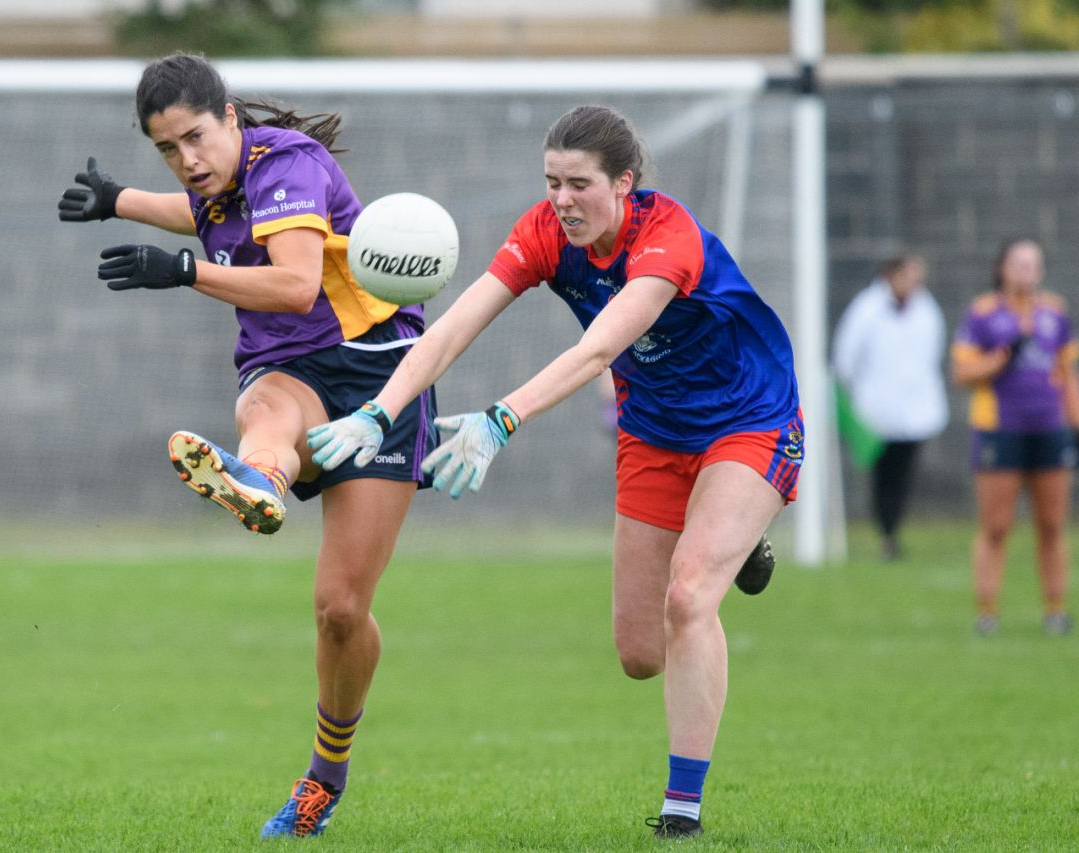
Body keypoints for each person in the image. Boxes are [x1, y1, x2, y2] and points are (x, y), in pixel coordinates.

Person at [306, 104, 801, 840]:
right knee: (639, 653)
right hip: (654, 431)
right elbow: (451, 328)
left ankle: (682, 811)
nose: (562, 200)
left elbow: (599, 350)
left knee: (690, 594)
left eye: (579, 184)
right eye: (551, 183)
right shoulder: (543, 231)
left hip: (748, 421)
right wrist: (377, 412)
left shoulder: (667, 238)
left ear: (624, 182)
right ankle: (731, 536)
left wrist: (500, 419)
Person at [57, 53, 439, 838]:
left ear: (231, 117)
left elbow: (297, 284)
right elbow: (200, 213)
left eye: (195, 138)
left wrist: (184, 273)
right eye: (167, 148)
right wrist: (118, 201)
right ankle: (257, 479)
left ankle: (323, 778)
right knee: (266, 405)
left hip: (380, 378)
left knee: (341, 609)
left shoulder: (289, 163)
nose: (186, 161)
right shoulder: (216, 181)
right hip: (289, 366)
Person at [951, 237, 1077, 637]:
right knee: (996, 525)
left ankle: (1055, 610)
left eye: (1032, 264)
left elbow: (1069, 375)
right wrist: (998, 360)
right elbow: (962, 373)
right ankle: (987, 612)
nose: (1025, 271)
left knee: (1053, 524)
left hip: (1049, 428)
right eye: (1018, 263)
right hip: (999, 430)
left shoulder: (1055, 313)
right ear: (1002, 268)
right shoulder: (983, 314)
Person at [832, 253, 948, 560]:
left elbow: (932, 353)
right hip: (877, 410)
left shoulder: (926, 309)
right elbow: (846, 357)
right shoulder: (867, 309)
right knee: (884, 474)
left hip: (914, 408)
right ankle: (887, 534)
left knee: (903, 473)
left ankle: (893, 531)